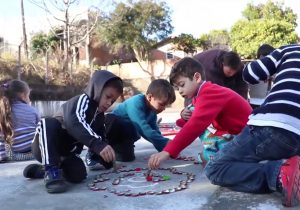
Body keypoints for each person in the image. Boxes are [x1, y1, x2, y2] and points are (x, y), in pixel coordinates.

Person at [204, 44, 300, 207]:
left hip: (274, 125)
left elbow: (250, 73)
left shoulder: (290, 50)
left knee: (215, 168)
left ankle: (279, 175)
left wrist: (271, 70)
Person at [23, 70, 125, 194]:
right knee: (48, 122)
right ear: (97, 89)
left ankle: (44, 170)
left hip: (66, 153)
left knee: (79, 175)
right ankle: (51, 170)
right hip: (45, 147)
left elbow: (101, 138)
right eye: (108, 97)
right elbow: (74, 122)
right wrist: (97, 144)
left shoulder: (99, 116)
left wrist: (109, 161)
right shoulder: (82, 101)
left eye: (113, 101)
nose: (109, 103)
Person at [148, 57, 252, 168]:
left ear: (197, 77)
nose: (180, 91)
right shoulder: (200, 95)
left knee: (215, 170)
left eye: (182, 85)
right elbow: (188, 120)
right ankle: (215, 153)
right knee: (208, 152)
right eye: (177, 87)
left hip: (247, 137)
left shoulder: (210, 93)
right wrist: (184, 116)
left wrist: (167, 151)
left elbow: (194, 125)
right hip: (236, 134)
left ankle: (229, 156)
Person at [110, 79, 176, 152]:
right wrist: (165, 142)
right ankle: (112, 146)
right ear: (150, 97)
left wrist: (164, 149)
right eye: (161, 104)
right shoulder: (136, 103)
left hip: (126, 135)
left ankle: (124, 145)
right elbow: (143, 128)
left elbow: (154, 130)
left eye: (166, 106)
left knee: (128, 155)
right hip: (111, 132)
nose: (163, 109)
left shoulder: (152, 111)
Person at [0, 80, 40, 163]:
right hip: (30, 151)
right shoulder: (32, 111)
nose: (29, 99)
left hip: (5, 155)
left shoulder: (2, 111)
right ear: (23, 95)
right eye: (28, 96)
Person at [249, 44, 275, 109]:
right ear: (261, 56)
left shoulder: (271, 68)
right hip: (255, 101)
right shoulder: (253, 66)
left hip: (267, 101)